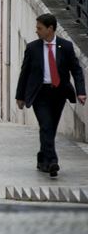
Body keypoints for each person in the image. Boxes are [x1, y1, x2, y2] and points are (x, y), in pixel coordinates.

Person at [16, 13, 86, 177]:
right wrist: (20, 96)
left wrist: (81, 91)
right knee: (46, 125)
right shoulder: (33, 48)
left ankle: (42, 159)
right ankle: (52, 161)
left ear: (50, 29)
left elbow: (76, 70)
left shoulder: (66, 46)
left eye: (39, 28)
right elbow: (24, 73)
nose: (37, 31)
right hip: (40, 94)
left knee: (50, 128)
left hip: (59, 93)